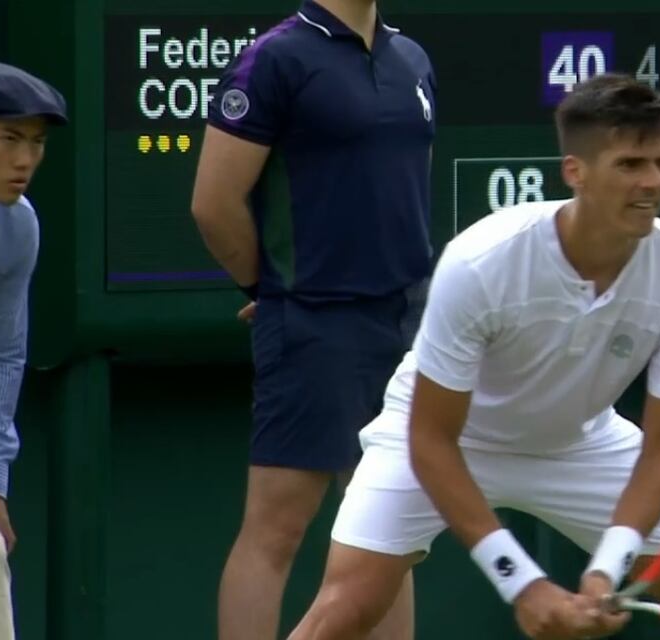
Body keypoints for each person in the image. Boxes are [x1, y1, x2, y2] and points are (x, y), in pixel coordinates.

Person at [289, 72, 660, 640]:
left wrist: (606, 569)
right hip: (443, 438)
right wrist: (522, 582)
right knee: (347, 608)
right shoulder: (482, 262)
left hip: (580, 444)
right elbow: (431, 441)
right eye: (630, 165)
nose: (652, 182)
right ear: (576, 172)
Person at [190, 0, 435, 638]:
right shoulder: (276, 58)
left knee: (389, 532)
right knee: (277, 526)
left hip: (405, 327)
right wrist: (272, 288)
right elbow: (213, 204)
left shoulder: (411, 58)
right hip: (313, 324)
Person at [0, 61, 67, 640]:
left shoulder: (18, 228)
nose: (25, 161)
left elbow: (3, 355)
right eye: (9, 139)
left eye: (36, 144)